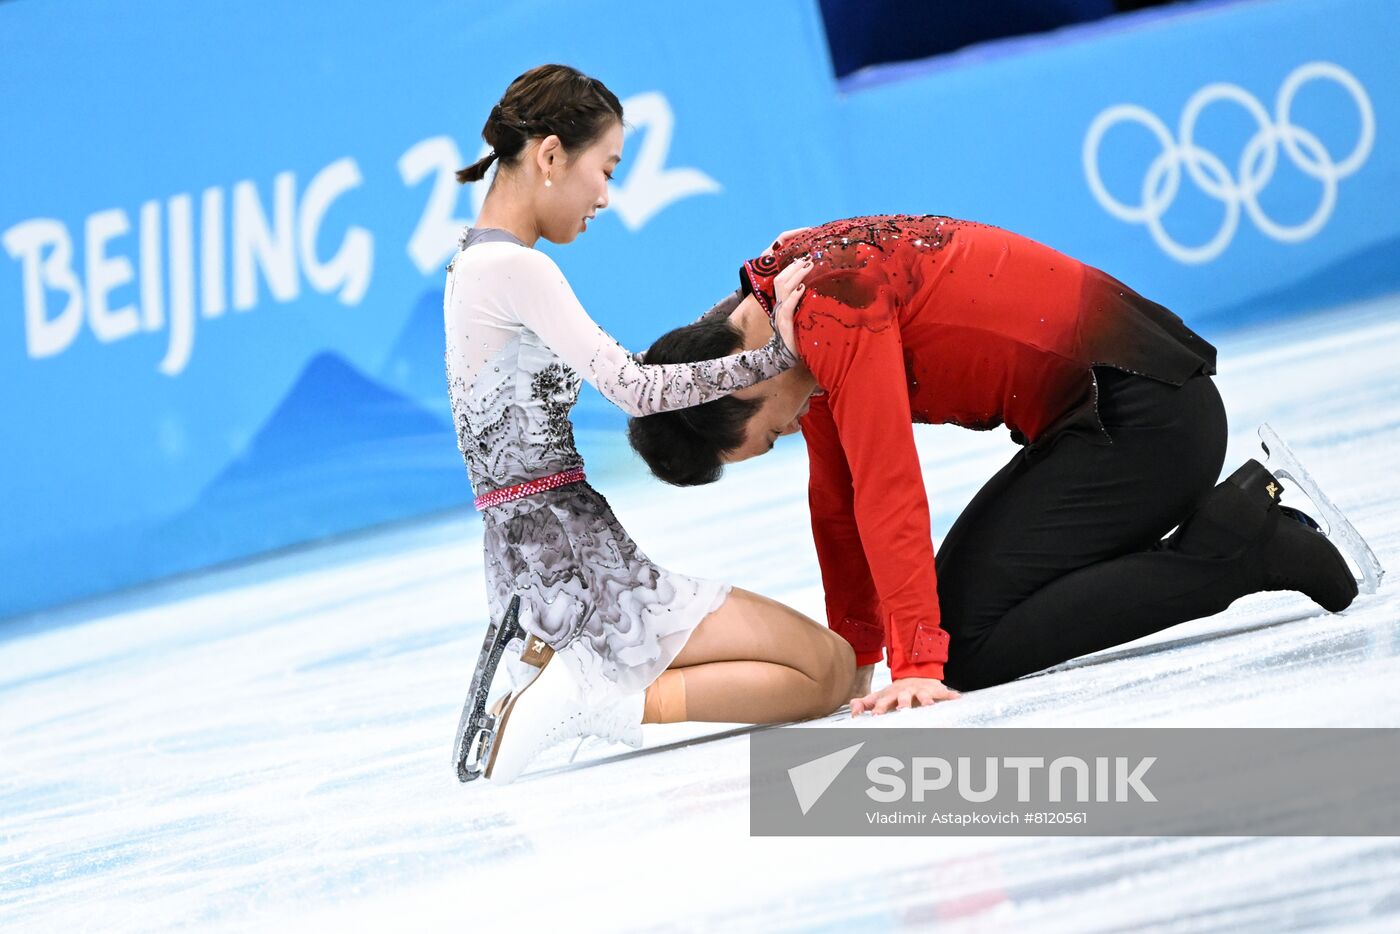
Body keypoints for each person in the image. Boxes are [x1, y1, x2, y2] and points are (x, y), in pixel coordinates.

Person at [627, 214, 1361, 714]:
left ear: (739, 386)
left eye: (770, 434)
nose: (790, 431)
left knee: (963, 652)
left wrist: (917, 668)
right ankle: (1231, 540)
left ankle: (1245, 548)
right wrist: (858, 656)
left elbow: (886, 481)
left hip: (1148, 421)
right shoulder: (779, 308)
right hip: (1101, 422)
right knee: (956, 631)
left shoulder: (827, 309)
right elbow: (839, 497)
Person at [444, 65, 854, 784]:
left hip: (538, 557)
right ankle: (590, 701)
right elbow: (634, 388)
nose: (605, 196)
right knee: (826, 669)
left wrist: (749, 300)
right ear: (550, 156)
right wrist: (774, 357)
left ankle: (585, 695)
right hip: (573, 558)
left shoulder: (474, 264)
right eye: (605, 170)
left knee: (829, 669)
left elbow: (627, 366)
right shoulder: (516, 270)